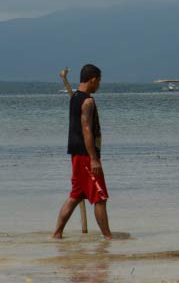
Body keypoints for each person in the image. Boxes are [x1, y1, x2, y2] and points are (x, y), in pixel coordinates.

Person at [52, 63, 112, 239]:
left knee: (76, 196)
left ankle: (57, 235)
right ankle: (108, 238)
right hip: (86, 157)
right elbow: (86, 129)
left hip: (77, 155)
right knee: (100, 198)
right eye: (99, 81)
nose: (99, 85)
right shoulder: (87, 101)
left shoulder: (75, 97)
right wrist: (93, 158)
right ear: (93, 80)